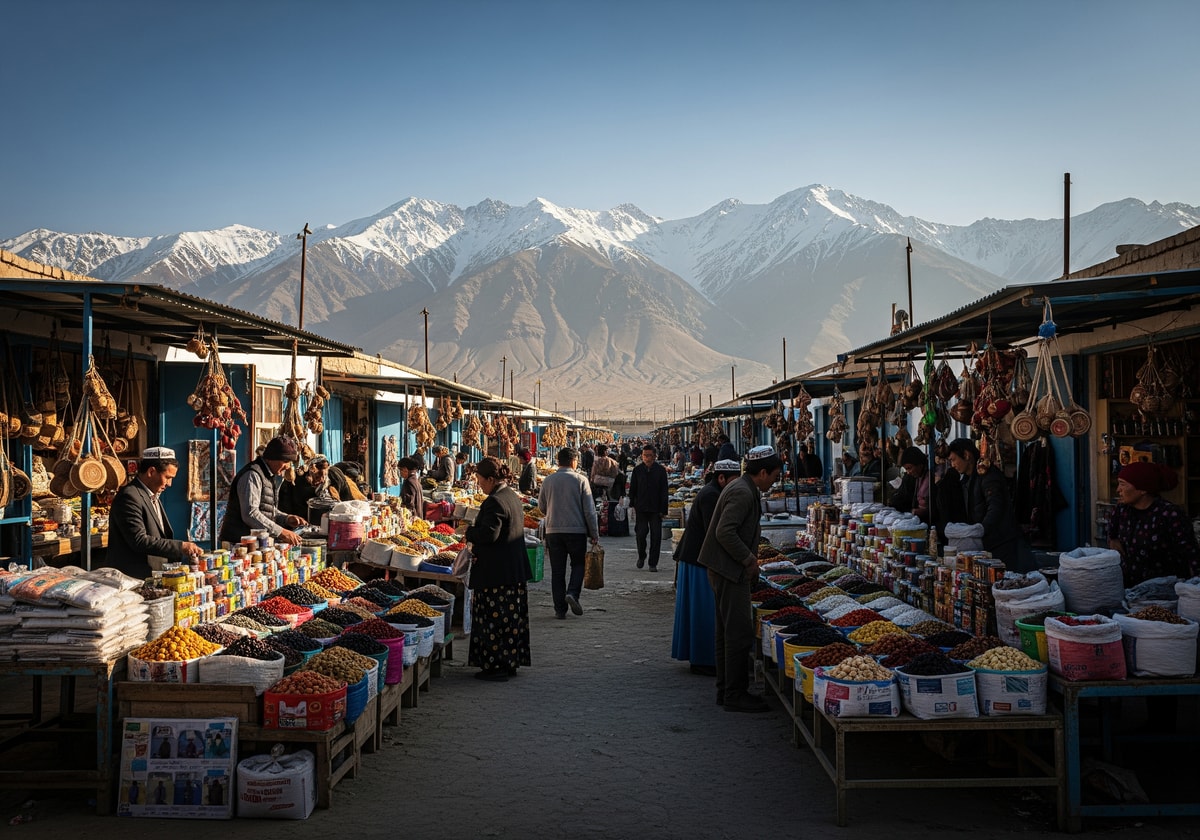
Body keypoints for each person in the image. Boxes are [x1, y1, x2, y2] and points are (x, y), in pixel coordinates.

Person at [697, 445, 783, 713]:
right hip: (727, 569)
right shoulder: (743, 492)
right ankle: (735, 693)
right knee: (738, 633)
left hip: (724, 568)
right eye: (775, 476)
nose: (775, 482)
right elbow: (725, 532)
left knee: (726, 631)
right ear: (764, 472)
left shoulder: (744, 488)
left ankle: (726, 690)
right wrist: (749, 560)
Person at [463, 456, 533, 680]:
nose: (479, 484)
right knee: (510, 620)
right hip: (511, 571)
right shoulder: (510, 495)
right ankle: (508, 662)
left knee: (494, 620)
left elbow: (489, 534)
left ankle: (497, 667)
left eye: (481, 480)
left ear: (491, 479)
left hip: (497, 573)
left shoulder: (494, 501)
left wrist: (469, 531)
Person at [672, 458, 742, 676]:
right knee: (702, 611)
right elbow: (717, 532)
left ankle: (703, 658)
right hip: (699, 560)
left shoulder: (714, 492)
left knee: (700, 610)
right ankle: (704, 660)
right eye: (732, 481)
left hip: (698, 557)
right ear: (721, 478)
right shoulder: (711, 496)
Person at [106, 447, 204, 577]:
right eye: (167, 477)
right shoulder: (130, 496)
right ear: (151, 471)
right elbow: (139, 540)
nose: (170, 484)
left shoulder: (152, 495)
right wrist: (181, 546)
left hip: (150, 574)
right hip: (132, 576)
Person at [1106, 460, 1200, 587]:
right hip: (1131, 589)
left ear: (1142, 489)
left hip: (1166, 590)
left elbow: (1191, 554)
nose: (1118, 490)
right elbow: (1112, 537)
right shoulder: (1121, 510)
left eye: (1123, 484)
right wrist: (1112, 539)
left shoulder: (1170, 515)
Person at [538, 447, 600, 620]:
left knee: (557, 571)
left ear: (558, 461)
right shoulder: (581, 480)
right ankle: (572, 592)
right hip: (576, 531)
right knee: (578, 565)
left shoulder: (548, 480)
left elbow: (541, 507)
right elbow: (589, 511)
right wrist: (594, 533)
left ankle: (559, 609)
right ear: (574, 461)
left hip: (553, 531)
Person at [218, 436, 306, 547]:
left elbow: (264, 507)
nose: (287, 467)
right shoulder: (252, 475)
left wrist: (286, 518)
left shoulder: (268, 475)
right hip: (237, 545)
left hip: (254, 545)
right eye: (285, 461)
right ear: (272, 457)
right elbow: (251, 513)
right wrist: (281, 532)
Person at [946, 438, 1019, 565]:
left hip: (1000, 543)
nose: (952, 465)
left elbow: (995, 507)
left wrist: (981, 529)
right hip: (984, 544)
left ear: (967, 455)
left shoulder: (987, 475)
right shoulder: (966, 481)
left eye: (953, 459)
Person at [629, 443, 669, 571]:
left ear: (654, 456)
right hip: (641, 508)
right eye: (645, 456)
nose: (647, 458)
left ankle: (653, 563)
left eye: (650, 456)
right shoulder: (637, 470)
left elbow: (664, 491)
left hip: (656, 509)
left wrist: (664, 510)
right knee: (640, 534)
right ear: (642, 456)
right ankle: (642, 555)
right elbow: (633, 489)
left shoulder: (661, 471)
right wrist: (632, 505)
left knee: (656, 536)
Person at [891, 446, 931, 523]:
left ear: (919, 464)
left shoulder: (930, 477)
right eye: (906, 469)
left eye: (909, 468)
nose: (908, 472)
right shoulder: (916, 477)